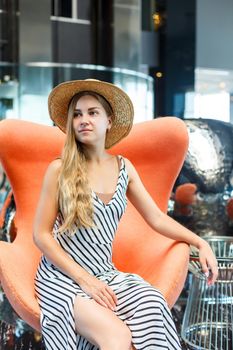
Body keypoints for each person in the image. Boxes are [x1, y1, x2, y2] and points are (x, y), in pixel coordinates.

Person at [33, 79, 218, 350]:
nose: (84, 119)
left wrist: (200, 242)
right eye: (77, 114)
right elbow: (40, 235)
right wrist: (86, 281)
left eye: (92, 112)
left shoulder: (124, 167)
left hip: (105, 273)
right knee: (117, 337)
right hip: (63, 277)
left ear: (109, 120)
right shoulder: (59, 170)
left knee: (153, 305)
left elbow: (156, 218)